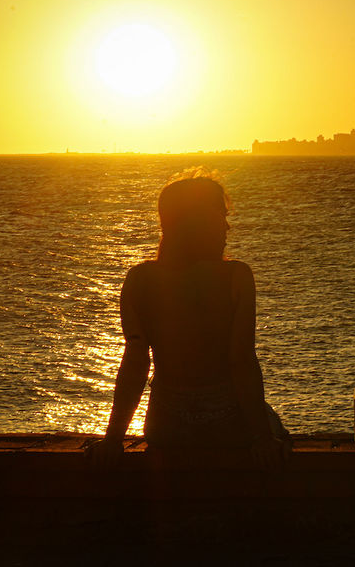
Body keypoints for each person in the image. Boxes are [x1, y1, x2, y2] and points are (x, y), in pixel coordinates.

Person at [87, 169, 288, 468]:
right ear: (204, 220)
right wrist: (262, 438)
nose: (228, 227)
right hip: (228, 424)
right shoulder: (236, 277)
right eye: (222, 216)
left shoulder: (139, 279)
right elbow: (242, 360)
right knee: (281, 436)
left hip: (166, 427)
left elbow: (136, 362)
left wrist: (113, 439)